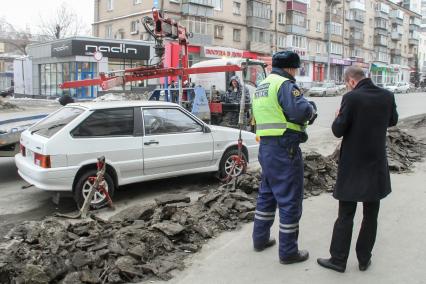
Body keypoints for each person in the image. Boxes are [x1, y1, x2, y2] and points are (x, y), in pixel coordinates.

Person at [317, 66, 398, 273]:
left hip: (353, 165)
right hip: (375, 164)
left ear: (351, 81)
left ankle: (338, 260)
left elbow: (338, 130)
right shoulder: (387, 96)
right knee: (371, 214)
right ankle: (364, 260)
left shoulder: (351, 98)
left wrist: (338, 116)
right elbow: (393, 121)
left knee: (346, 214)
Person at [252, 51, 317, 264]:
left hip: (267, 148)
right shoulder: (285, 85)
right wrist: (311, 110)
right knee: (290, 199)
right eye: (296, 69)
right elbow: (300, 112)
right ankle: (288, 252)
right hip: (285, 147)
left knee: (267, 193)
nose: (296, 73)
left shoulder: (262, 85)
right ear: (291, 68)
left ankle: (259, 239)